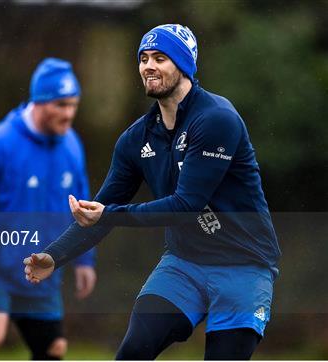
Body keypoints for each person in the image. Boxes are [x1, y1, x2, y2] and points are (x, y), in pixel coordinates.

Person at [24, 24, 281, 360]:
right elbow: (99, 213)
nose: (148, 66)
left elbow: (187, 205)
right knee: (133, 352)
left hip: (244, 265)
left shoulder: (217, 120)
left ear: (184, 65)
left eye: (160, 58)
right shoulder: (136, 139)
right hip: (184, 266)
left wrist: (110, 214)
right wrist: (54, 256)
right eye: (143, 58)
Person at [0, 58, 97, 360]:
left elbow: (84, 207)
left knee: (52, 349)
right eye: (61, 105)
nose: (69, 114)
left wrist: (85, 260)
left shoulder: (72, 145)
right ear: (40, 101)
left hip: (42, 271)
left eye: (74, 105)